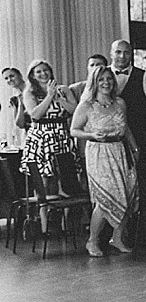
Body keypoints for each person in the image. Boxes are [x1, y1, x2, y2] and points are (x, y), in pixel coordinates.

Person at [69, 66, 138, 257]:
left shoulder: (120, 103)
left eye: (109, 79)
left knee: (127, 194)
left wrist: (134, 148)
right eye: (101, 80)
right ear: (94, 82)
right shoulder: (87, 105)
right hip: (99, 153)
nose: (106, 83)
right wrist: (91, 134)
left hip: (120, 151)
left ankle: (117, 237)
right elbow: (74, 130)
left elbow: (126, 128)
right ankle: (92, 240)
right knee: (104, 198)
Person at [21, 60, 79, 204]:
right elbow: (35, 115)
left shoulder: (64, 89)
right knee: (44, 181)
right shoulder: (29, 92)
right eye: (38, 72)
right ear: (33, 76)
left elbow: (75, 111)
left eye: (45, 70)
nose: (43, 74)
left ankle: (66, 220)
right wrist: (49, 96)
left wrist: (59, 99)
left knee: (66, 181)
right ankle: (44, 220)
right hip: (41, 137)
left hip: (61, 136)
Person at [109, 39, 146, 161]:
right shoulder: (101, 77)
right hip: (108, 139)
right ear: (111, 54)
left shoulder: (145, 77)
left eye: (126, 52)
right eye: (118, 52)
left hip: (139, 136)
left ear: (131, 54)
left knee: (141, 176)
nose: (122, 56)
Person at [2, 66, 29, 149]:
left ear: (20, 75)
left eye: (12, 76)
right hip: (28, 134)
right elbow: (20, 124)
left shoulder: (34, 90)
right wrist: (20, 102)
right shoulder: (14, 99)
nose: (9, 80)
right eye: (6, 78)